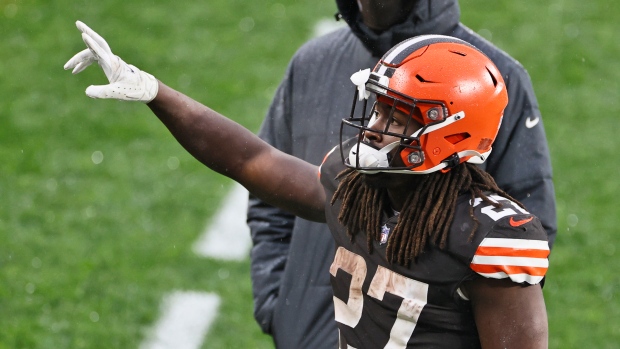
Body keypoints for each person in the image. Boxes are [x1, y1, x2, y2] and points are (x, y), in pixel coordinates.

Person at [65, 21, 550, 348]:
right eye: (379, 107)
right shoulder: (356, 186)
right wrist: (155, 92)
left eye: (398, 116)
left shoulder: (490, 239)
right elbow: (251, 159)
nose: (375, 125)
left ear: (450, 134)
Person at [247, 1, 557, 347]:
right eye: (377, 111)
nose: (370, 132)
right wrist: (280, 307)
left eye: (394, 118)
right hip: (310, 334)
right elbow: (269, 192)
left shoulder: (492, 78)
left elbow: (523, 219)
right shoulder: (313, 61)